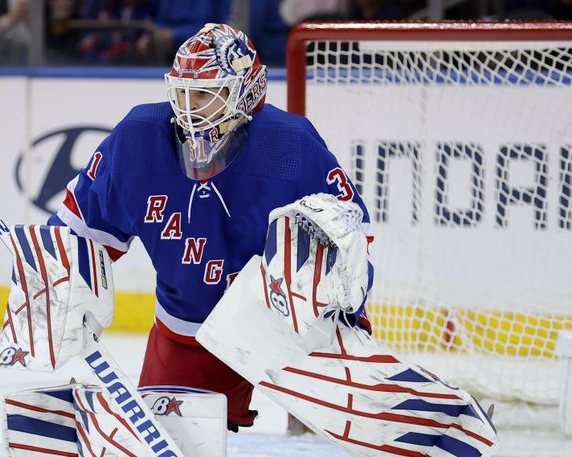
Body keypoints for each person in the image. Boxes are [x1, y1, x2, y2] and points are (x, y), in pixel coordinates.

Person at [47, 23, 373, 431]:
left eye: (204, 93)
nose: (188, 106)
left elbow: (353, 238)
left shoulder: (292, 146)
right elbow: (77, 232)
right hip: (189, 332)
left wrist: (331, 306)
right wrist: (61, 285)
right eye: (182, 91)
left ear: (247, 94)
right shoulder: (137, 139)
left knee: (372, 426)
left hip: (293, 332)